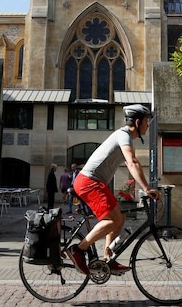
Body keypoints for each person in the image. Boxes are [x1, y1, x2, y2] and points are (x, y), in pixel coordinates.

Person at [63, 104, 161, 276]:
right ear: (138, 122)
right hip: (89, 182)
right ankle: (78, 249)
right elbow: (132, 162)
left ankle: (109, 258)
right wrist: (146, 188)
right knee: (111, 220)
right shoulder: (124, 135)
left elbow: (132, 164)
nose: (148, 125)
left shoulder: (125, 137)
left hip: (94, 182)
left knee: (120, 218)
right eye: (147, 122)